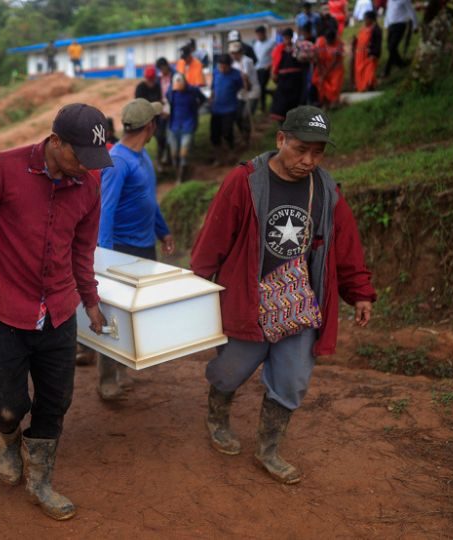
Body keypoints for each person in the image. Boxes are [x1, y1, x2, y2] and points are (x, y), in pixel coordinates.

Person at [190, 106, 375, 485]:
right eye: (300, 149)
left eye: (318, 152)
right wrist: (195, 289)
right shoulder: (244, 182)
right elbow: (213, 240)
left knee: (292, 380)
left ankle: (269, 449)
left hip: (299, 305)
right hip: (247, 300)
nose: (308, 160)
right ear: (280, 140)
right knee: (230, 371)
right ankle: (217, 418)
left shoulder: (326, 190)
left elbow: (346, 248)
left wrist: (360, 293)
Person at [0, 103, 110, 521]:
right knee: (8, 405)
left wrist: (90, 301)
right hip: (3, 309)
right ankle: (5, 436)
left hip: (57, 310)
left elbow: (82, 249)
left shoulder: (88, 183)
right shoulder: (4, 169)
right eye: (79, 158)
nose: (85, 169)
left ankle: (40, 482)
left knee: (57, 400)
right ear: (55, 142)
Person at [96, 98, 175, 399]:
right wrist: (104, 257)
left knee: (132, 313)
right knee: (113, 312)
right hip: (121, 248)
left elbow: (150, 202)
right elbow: (106, 211)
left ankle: (122, 368)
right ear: (150, 126)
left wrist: (163, 230)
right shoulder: (117, 162)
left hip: (143, 247)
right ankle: (106, 377)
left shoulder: (142, 157)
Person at [166, 73, 207, 182]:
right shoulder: (171, 92)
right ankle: (177, 173)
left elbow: (203, 99)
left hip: (188, 125)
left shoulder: (193, 91)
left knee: (183, 153)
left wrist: (196, 108)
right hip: (174, 126)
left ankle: (182, 177)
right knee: (174, 154)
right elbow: (168, 103)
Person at [209, 54, 247, 164]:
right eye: (221, 66)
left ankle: (231, 152)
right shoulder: (216, 72)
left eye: (225, 67)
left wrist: (245, 80)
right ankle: (218, 157)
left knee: (227, 132)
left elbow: (245, 87)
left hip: (229, 109)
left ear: (229, 65)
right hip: (216, 108)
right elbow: (213, 87)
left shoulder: (236, 74)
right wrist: (211, 98)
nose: (222, 69)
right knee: (214, 134)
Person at [135, 66, 169, 171]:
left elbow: (159, 100)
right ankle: (140, 165)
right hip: (144, 119)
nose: (151, 82)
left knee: (161, 138)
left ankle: (160, 161)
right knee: (140, 142)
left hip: (156, 119)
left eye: (152, 79)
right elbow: (139, 104)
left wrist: (162, 110)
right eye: (149, 79)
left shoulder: (157, 86)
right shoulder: (141, 87)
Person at [270, 29, 307, 123]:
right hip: (283, 81)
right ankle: (282, 124)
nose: (286, 39)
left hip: (295, 81)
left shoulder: (297, 48)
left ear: (291, 37)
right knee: (281, 102)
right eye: (284, 37)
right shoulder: (279, 50)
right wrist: (274, 73)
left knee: (295, 101)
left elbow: (303, 62)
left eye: (288, 37)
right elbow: (275, 63)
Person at [229, 41, 260, 146]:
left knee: (246, 115)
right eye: (233, 53)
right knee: (238, 117)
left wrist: (244, 80)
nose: (234, 55)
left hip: (251, 93)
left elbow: (246, 79)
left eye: (236, 52)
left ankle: (247, 138)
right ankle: (244, 135)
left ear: (241, 52)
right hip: (240, 94)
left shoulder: (247, 61)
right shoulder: (233, 64)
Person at [383, 0, 419, 78]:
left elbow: (411, 12)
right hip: (391, 26)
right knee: (390, 48)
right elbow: (388, 13)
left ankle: (387, 70)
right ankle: (400, 63)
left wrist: (415, 26)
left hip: (400, 25)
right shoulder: (390, 1)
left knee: (392, 47)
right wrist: (386, 25)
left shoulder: (404, 0)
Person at [312, 27, 345, 108]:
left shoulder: (339, 45)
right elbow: (316, 57)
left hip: (335, 69)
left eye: (331, 41)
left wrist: (325, 74)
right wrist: (321, 71)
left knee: (334, 88)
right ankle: (325, 101)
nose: (329, 42)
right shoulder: (320, 42)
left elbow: (334, 61)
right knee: (318, 81)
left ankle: (334, 101)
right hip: (322, 67)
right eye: (328, 40)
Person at [354, 11, 383, 91]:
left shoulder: (376, 29)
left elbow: (378, 43)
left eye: (366, 19)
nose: (365, 21)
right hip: (360, 54)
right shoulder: (363, 29)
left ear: (371, 19)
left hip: (370, 54)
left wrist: (374, 53)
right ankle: (365, 86)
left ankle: (369, 86)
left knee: (369, 72)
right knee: (361, 71)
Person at [252, 26, 277, 114]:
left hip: (266, 68)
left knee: (261, 86)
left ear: (264, 33)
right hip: (257, 68)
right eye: (257, 35)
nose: (258, 36)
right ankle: (270, 92)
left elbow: (275, 56)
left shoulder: (272, 43)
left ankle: (263, 106)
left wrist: (270, 65)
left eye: (260, 34)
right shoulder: (256, 44)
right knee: (258, 87)